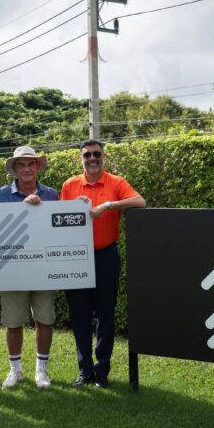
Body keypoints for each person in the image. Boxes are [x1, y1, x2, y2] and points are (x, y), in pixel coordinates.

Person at [61, 139, 145, 388]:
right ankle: (85, 370)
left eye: (96, 154)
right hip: (76, 257)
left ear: (103, 156)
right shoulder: (70, 185)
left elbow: (139, 201)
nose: (92, 158)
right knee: (79, 316)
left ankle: (102, 371)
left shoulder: (115, 182)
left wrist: (109, 205)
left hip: (105, 256)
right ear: (81, 159)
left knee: (106, 315)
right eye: (87, 155)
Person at [0, 146, 59, 389]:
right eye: (21, 164)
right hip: (13, 268)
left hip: (43, 266)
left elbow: (60, 227)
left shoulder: (52, 194)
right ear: (15, 169)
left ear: (37, 167)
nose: (26, 169)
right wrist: (23, 208)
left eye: (30, 164)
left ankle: (41, 370)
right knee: (13, 322)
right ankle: (16, 370)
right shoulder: (2, 194)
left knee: (44, 319)